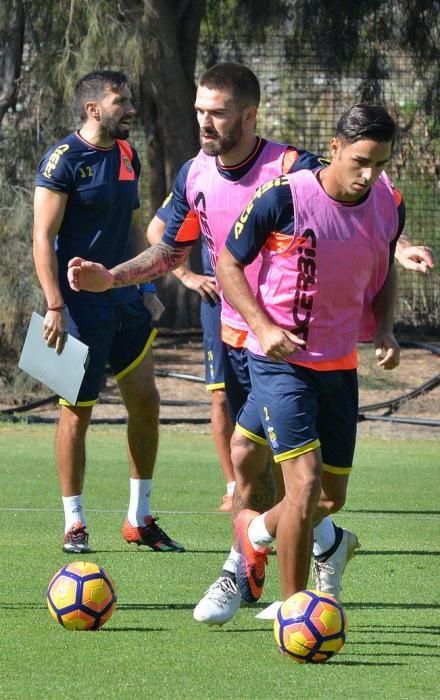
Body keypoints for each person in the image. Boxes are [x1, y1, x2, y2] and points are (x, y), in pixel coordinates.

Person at [66, 67, 427, 623]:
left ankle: (256, 554)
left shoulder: (291, 168)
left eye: (217, 112)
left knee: (285, 477)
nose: (204, 122)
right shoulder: (194, 173)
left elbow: (352, 210)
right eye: (198, 110)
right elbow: (168, 253)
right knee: (252, 465)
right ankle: (298, 557)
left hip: (284, 347)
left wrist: (397, 257)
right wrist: (112, 278)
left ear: (248, 115)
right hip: (239, 337)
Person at [216, 103, 403, 605]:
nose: (369, 175)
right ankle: (292, 610)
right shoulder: (283, 197)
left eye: (380, 164)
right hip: (281, 359)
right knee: (302, 485)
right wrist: (261, 325)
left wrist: (384, 329)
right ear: (335, 148)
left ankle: (253, 537)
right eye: (361, 161)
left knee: (327, 498)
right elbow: (227, 262)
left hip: (339, 364)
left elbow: (385, 267)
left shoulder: (388, 203)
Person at [33, 70, 184, 554]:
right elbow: (40, 238)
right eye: (121, 102)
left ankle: (139, 518)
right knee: (76, 414)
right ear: (93, 109)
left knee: (146, 401)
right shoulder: (62, 160)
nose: (131, 110)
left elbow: (137, 227)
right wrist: (55, 303)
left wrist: (146, 283)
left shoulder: (126, 155)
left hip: (126, 303)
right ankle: (74, 523)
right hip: (74, 309)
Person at [146, 203, 236, 511]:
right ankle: (234, 487)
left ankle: (277, 484)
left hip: (267, 296)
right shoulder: (198, 173)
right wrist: (186, 275)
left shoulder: (279, 164)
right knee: (222, 395)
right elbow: (156, 230)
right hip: (218, 301)